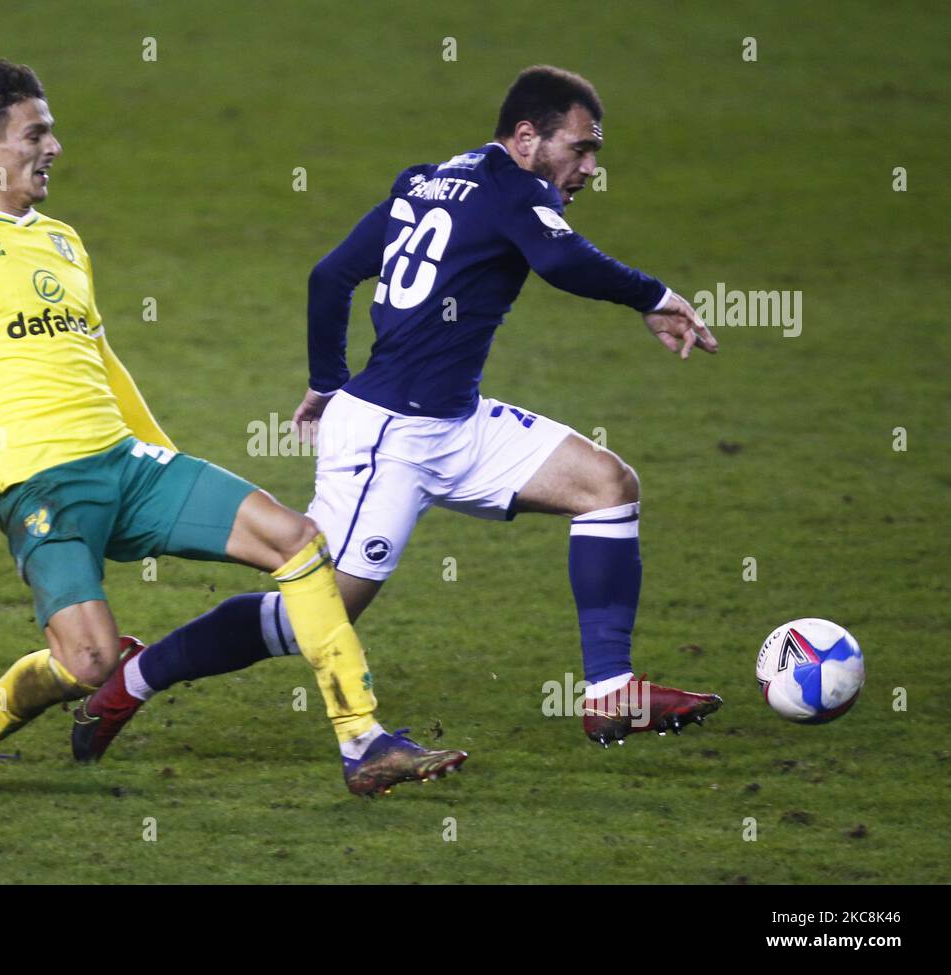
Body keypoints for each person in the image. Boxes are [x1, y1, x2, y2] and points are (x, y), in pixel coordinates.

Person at [0, 59, 465, 801]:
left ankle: (362, 739)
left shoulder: (62, 241)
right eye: (38, 132)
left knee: (298, 541)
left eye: (52, 130)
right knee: (87, 662)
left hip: (129, 465)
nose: (54, 146)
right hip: (41, 485)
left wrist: (163, 448)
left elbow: (101, 356)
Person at [73, 65, 723, 761]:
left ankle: (610, 690)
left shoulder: (427, 179)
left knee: (606, 485)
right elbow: (559, 262)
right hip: (389, 439)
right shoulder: (513, 188)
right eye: (581, 148)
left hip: (457, 422)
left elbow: (331, 275)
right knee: (315, 613)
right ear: (527, 137)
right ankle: (128, 683)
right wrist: (653, 295)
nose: (590, 167)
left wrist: (326, 381)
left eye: (595, 152)